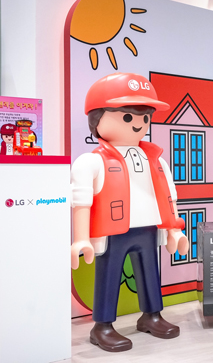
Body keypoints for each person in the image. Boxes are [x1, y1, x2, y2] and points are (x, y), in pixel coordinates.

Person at [71, 72, 189, 352]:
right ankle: (102, 326)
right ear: (97, 119)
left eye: (145, 117)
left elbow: (168, 196)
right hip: (113, 230)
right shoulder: (91, 161)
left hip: (148, 227)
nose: (139, 124)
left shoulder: (155, 159)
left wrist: (173, 230)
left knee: (150, 271)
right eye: (127, 116)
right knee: (109, 274)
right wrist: (81, 238)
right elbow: (81, 201)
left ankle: (152, 315)